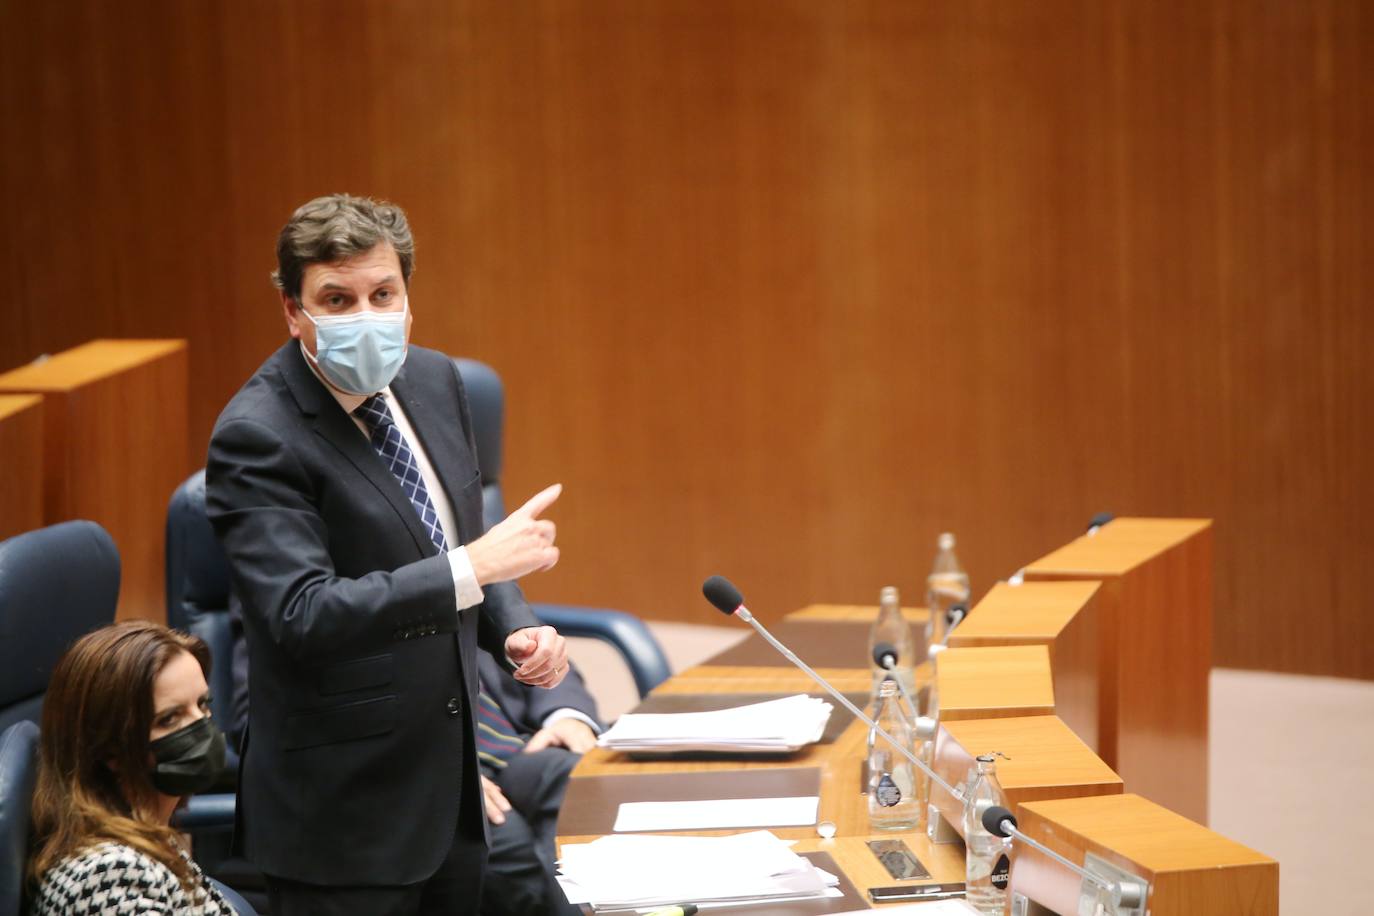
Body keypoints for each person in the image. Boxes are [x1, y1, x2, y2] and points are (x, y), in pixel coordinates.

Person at [206, 193, 572, 915]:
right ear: (293, 310)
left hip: (451, 790)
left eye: (382, 294)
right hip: (344, 818)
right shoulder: (257, 436)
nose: (365, 317)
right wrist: (478, 567)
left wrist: (515, 630)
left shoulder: (434, 381)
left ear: (408, 296)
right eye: (336, 300)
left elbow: (457, 543)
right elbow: (301, 614)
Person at [28, 621, 234, 915]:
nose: (202, 726)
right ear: (108, 749)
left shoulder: (147, 835)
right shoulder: (106, 877)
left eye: (203, 704)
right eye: (170, 719)